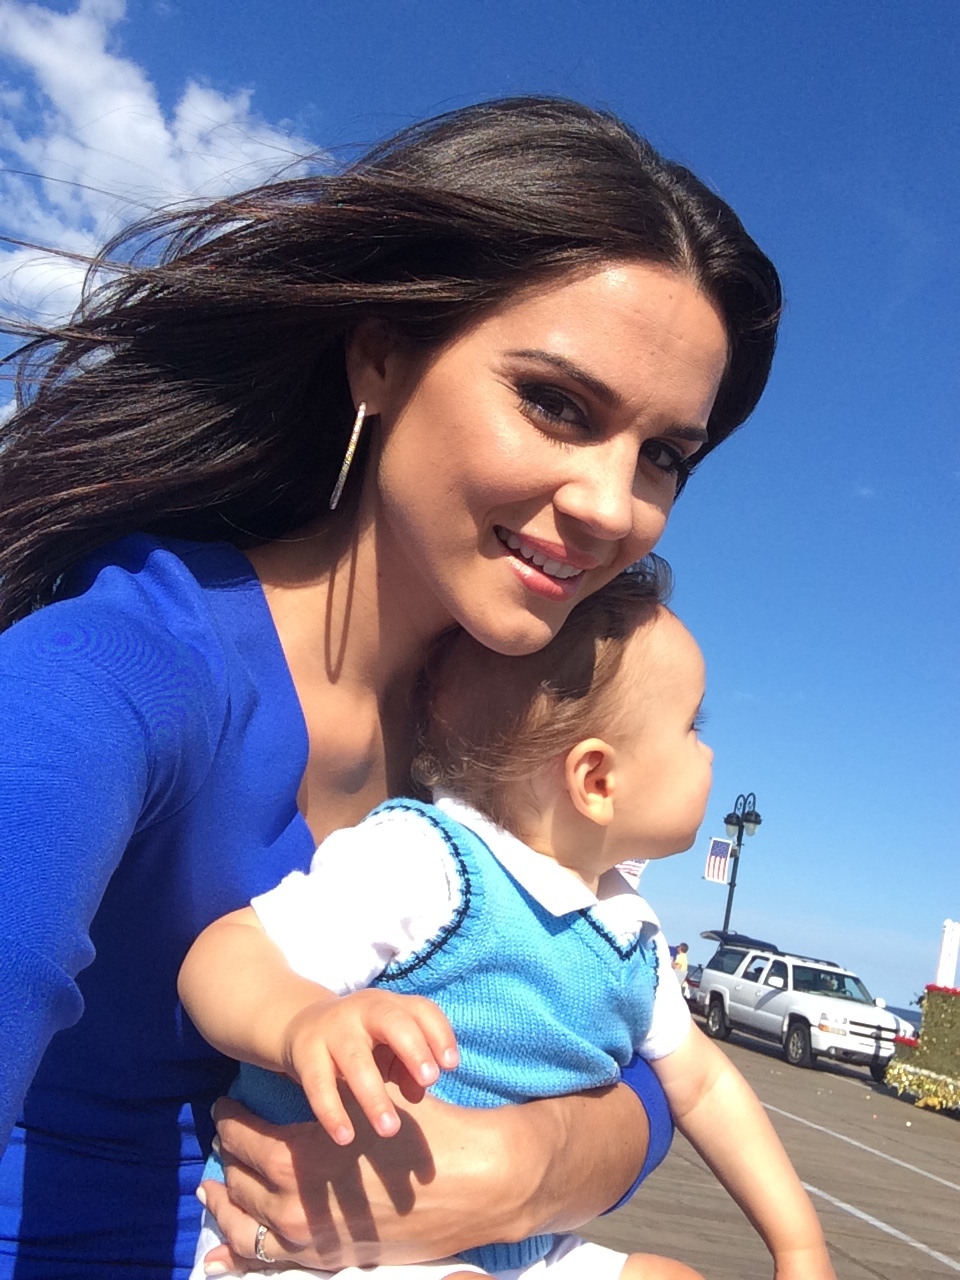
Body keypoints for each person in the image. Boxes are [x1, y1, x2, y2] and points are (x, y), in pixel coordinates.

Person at [0, 97, 781, 1277]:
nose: (617, 503)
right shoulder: (107, 685)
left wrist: (523, 1161)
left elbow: (638, 1052)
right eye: (556, 403)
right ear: (379, 355)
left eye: (664, 453)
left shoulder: (504, 741)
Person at [180, 565, 836, 1280]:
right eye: (692, 727)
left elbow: (705, 1088)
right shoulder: (430, 861)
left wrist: (798, 1247)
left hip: (513, 1246)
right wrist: (301, 1021)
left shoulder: (630, 937)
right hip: (320, 1241)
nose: (707, 751)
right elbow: (225, 955)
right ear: (597, 781)